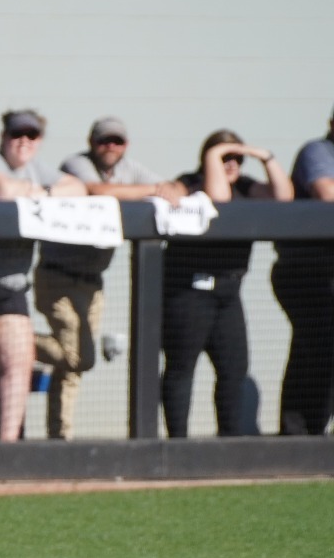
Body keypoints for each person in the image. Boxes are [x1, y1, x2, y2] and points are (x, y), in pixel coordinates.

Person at [34, 117, 172, 439]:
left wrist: (170, 188)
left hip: (93, 282)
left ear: (126, 145)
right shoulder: (76, 163)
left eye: (117, 141)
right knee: (79, 356)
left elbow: (171, 188)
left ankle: (59, 437)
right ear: (91, 141)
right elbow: (96, 191)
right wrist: (153, 191)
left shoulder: (131, 170)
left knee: (72, 368)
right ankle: (14, 341)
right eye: (103, 140)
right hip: (58, 277)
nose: (110, 147)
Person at [0, 110, 86, 441]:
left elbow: (78, 188)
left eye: (31, 135)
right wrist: (37, 192)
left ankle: (8, 451)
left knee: (18, 365)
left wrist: (38, 191)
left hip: (13, 285)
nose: (23, 141)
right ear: (4, 137)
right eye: (17, 134)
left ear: (39, 141)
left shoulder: (36, 170)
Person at [162, 131, 292, 438]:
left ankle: (229, 444)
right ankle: (177, 446)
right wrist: (214, 155)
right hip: (190, 294)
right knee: (181, 369)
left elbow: (285, 197)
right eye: (224, 157)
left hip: (229, 295)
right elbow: (217, 197)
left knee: (234, 370)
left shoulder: (247, 187)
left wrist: (266, 156)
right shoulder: (191, 182)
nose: (232, 163)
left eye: (237, 158)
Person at [272, 111, 334, 436]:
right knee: (318, 347)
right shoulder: (318, 150)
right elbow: (327, 193)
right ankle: (302, 434)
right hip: (305, 270)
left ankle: (307, 432)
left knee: (315, 349)